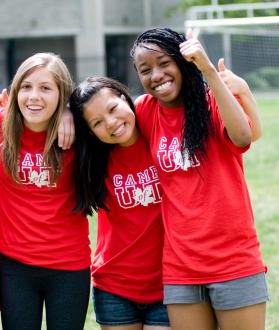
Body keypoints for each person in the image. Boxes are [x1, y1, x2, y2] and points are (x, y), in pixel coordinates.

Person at [130, 27, 268, 330]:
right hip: (181, 266)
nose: (156, 75)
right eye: (145, 69)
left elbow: (243, 136)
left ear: (184, 61)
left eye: (164, 63)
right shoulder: (145, 111)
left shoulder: (212, 101)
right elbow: (101, 111)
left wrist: (210, 72)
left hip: (234, 262)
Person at [0, 53, 91, 330]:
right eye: (26, 87)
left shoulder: (78, 134)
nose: (34, 96)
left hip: (70, 267)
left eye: (46, 88)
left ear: (61, 94)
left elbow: (114, 109)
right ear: (15, 91)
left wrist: (70, 110)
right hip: (16, 269)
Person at [69, 76, 169, 330]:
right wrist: (64, 116)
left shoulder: (160, 138)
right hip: (114, 286)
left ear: (124, 97)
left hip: (169, 282)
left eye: (112, 109)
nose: (111, 123)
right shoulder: (93, 160)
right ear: (90, 132)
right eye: (98, 123)